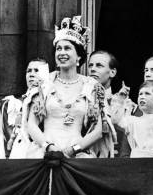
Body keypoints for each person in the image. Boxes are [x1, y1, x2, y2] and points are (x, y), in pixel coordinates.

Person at [26, 16, 115, 158]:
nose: (62, 53)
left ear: (79, 57)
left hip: (78, 153)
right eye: (58, 49)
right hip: (44, 152)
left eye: (67, 48)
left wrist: (73, 149)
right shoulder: (44, 84)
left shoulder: (92, 87)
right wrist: (49, 147)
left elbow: (98, 131)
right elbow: (31, 125)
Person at [2, 58, 49, 158]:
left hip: (39, 151)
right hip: (19, 151)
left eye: (36, 70)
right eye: (29, 71)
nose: (31, 74)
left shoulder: (50, 99)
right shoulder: (18, 101)